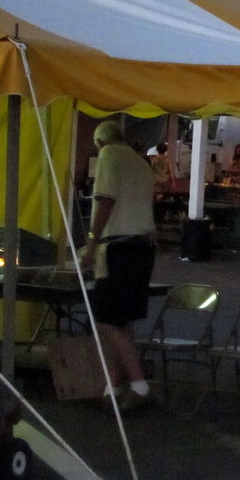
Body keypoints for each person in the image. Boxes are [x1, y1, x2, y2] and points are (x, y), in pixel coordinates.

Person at [81, 121, 157, 411]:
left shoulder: (109, 155)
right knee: (120, 321)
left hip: (118, 248)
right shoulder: (141, 163)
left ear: (100, 143)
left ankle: (139, 385)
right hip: (142, 247)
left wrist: (90, 245)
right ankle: (112, 387)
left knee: (105, 321)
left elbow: (105, 202)